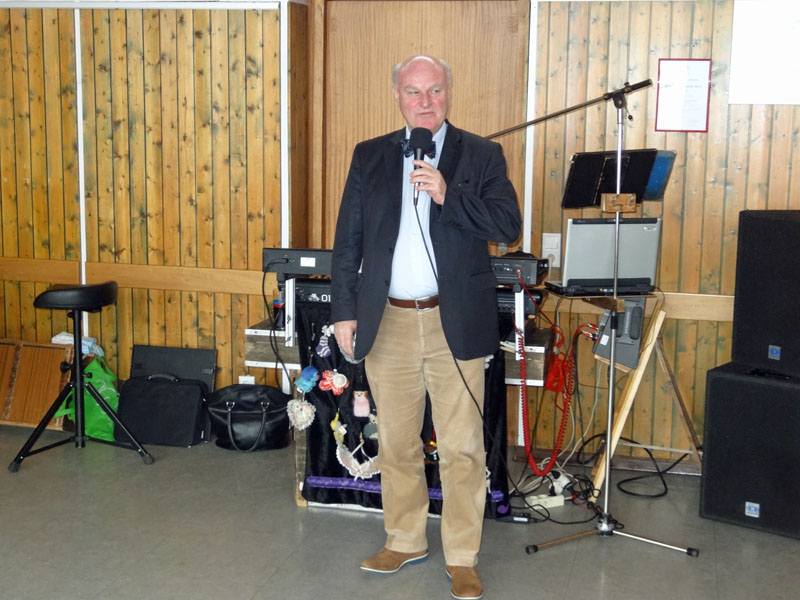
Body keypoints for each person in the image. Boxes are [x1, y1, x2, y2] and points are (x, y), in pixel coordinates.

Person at [331, 54, 521, 600]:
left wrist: (447, 193)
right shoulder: (369, 155)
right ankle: (405, 539)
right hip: (387, 319)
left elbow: (507, 226)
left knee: (462, 448)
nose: (425, 101)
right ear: (397, 96)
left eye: (434, 90)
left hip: (452, 320)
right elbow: (348, 241)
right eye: (413, 92)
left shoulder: (481, 154)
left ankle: (462, 556)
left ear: (448, 94)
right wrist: (344, 311)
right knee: (395, 443)